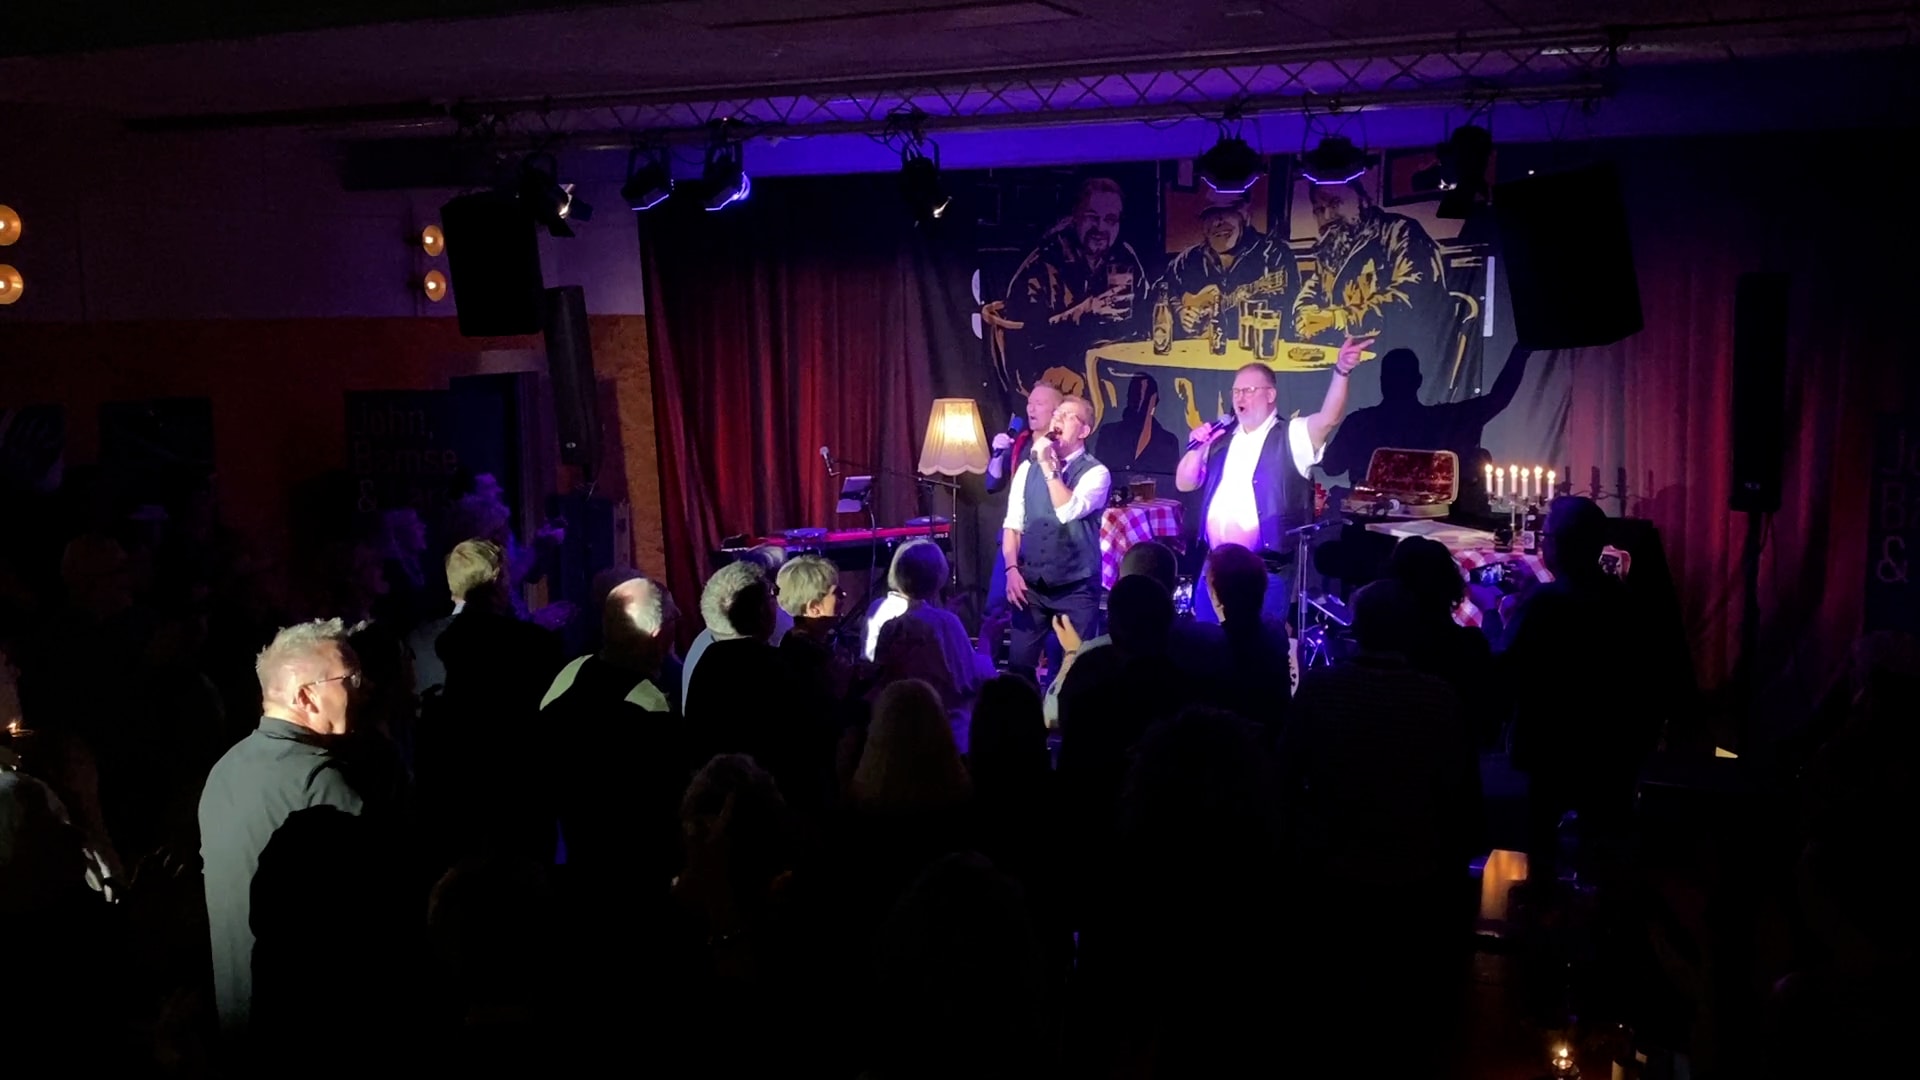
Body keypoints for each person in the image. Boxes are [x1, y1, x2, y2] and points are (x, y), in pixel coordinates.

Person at [199, 618, 370, 1041]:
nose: (363, 688)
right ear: (305, 695)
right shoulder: (320, 783)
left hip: (236, 1017)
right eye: (350, 678)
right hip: (305, 1027)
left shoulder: (224, 771)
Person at [1174, 338, 1371, 622]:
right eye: (1236, 391)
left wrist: (1341, 372)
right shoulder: (1221, 440)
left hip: (1265, 571)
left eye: (1248, 390)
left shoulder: (1291, 435)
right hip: (1215, 566)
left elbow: (1328, 419)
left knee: (1256, 641)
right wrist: (1200, 447)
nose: (1239, 398)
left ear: (1270, 395)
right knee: (1207, 640)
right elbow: (1185, 483)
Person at [1321, 342, 1532, 499]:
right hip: (1430, 530)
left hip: (1367, 532)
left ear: (1383, 382)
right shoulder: (1444, 421)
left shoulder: (1358, 424)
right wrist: (1521, 352)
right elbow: (1499, 398)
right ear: (1418, 381)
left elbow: (1331, 467)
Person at [1002, 396, 1112, 680]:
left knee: (1077, 672)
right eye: (1057, 414)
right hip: (1033, 585)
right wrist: (1011, 569)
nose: (1058, 419)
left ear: (1085, 430)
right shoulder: (1027, 469)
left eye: (1068, 416)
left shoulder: (1096, 473)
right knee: (1018, 668)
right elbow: (1013, 524)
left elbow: (1067, 510)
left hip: (1076, 587)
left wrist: (1049, 468)